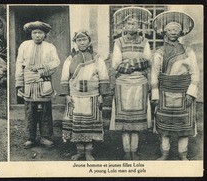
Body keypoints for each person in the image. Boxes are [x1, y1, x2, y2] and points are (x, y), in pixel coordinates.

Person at [151, 11, 199, 161]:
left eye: (176, 30)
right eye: (170, 30)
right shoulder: (159, 52)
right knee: (164, 126)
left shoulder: (188, 51)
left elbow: (195, 72)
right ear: (165, 31)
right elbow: (154, 73)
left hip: (184, 93)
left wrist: (191, 93)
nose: (173, 33)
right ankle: (164, 154)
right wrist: (155, 95)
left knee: (183, 126)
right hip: (165, 92)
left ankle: (182, 154)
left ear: (180, 32)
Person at [110, 7, 152, 160]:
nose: (132, 27)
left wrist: (132, 62)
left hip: (140, 82)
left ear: (139, 27)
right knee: (125, 121)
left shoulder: (144, 41)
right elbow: (116, 63)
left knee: (136, 121)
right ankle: (126, 151)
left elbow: (148, 60)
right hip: (123, 83)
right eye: (129, 24)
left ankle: (134, 150)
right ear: (124, 26)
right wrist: (134, 64)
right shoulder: (119, 42)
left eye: (135, 24)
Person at [60, 30, 110, 160]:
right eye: (79, 40)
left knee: (90, 123)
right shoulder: (70, 59)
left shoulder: (96, 58)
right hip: (75, 96)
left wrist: (101, 95)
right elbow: (65, 77)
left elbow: (103, 76)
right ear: (75, 42)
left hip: (92, 96)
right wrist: (66, 95)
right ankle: (80, 152)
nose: (82, 42)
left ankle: (88, 152)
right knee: (77, 123)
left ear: (89, 41)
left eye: (84, 40)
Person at [15, 21, 60, 149]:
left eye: (40, 33)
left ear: (45, 34)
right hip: (28, 81)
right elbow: (19, 64)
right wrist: (19, 82)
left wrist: (42, 70)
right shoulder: (24, 45)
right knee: (30, 110)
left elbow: (56, 62)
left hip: (43, 80)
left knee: (45, 110)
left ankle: (45, 137)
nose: (37, 35)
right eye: (35, 33)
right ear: (31, 34)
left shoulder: (50, 47)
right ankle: (30, 138)